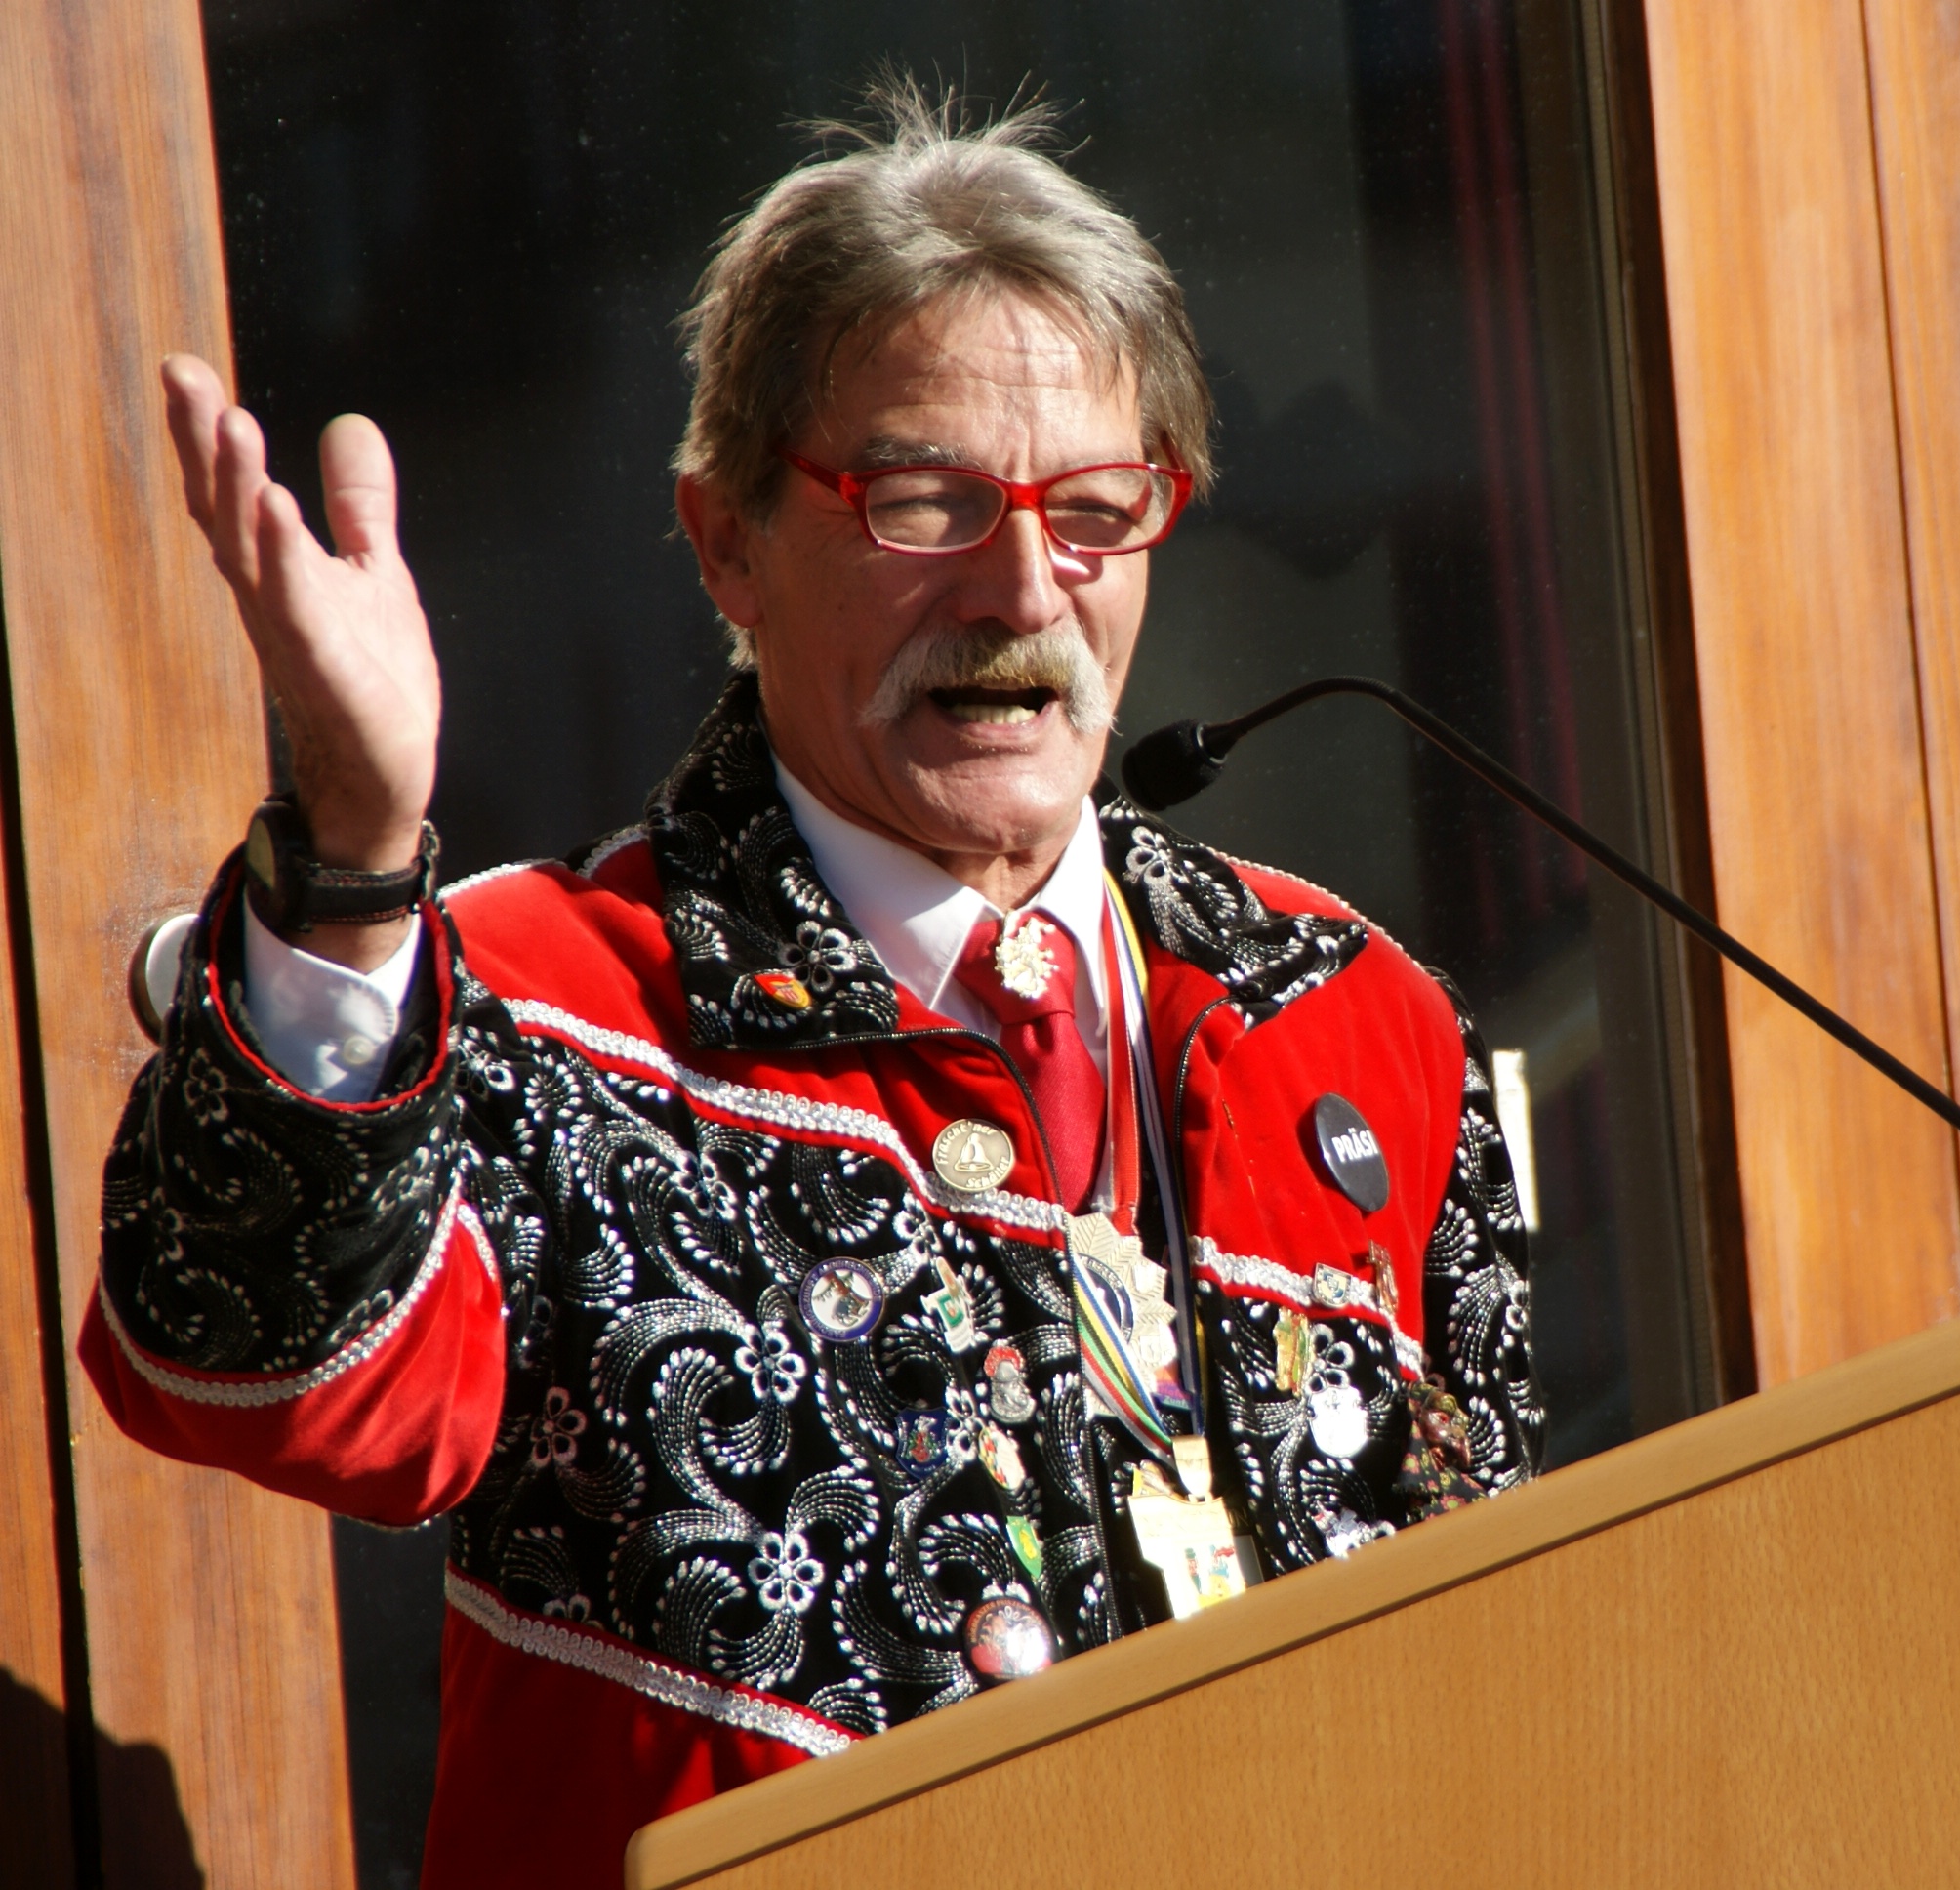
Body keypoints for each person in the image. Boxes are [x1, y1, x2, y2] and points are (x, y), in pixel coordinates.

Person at [83, 86, 1542, 1887]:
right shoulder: (536, 1000)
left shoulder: (1354, 1012)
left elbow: (1498, 1617)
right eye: (923, 504)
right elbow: (254, 1370)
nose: (1024, 588)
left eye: (1097, 509)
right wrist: (357, 848)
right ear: (727, 541)